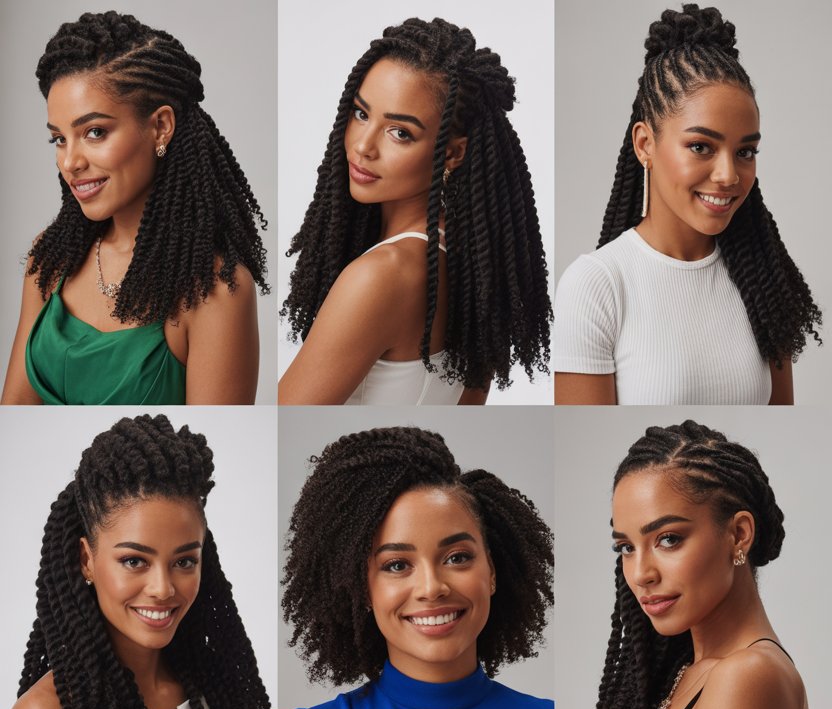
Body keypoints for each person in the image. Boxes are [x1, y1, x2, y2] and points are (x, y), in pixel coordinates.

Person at [553, 3, 821, 405]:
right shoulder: (598, 286)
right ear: (645, 144)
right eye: (701, 147)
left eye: (746, 152)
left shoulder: (764, 279)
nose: (728, 175)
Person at [5, 413, 276, 709]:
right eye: (134, 561)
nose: (163, 588)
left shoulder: (224, 689)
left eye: (184, 562)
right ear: (86, 560)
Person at [278, 16, 552, 405]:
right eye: (360, 114)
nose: (363, 146)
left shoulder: (381, 276)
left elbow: (289, 413)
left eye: (400, 132)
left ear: (453, 153)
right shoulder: (475, 267)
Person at [1, 11, 268, 406]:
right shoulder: (52, 259)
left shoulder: (211, 291)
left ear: (161, 126)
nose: (70, 162)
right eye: (59, 139)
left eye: (95, 132)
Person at [279, 426, 554, 709]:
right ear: (363, 590)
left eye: (457, 557)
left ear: (491, 572)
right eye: (396, 565)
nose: (431, 587)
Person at [586, 419, 808, 709]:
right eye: (626, 547)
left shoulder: (749, 676)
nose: (641, 574)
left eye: (668, 539)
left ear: (739, 534)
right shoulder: (692, 668)